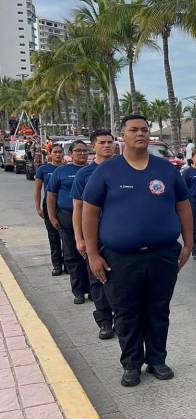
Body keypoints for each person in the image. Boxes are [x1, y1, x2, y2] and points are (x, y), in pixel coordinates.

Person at [82, 114, 193, 387]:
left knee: (158, 310)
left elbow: (183, 207)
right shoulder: (107, 171)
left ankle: (156, 360)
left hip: (163, 255)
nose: (140, 134)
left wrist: (189, 244)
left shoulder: (166, 169)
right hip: (120, 259)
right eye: (134, 130)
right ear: (123, 135)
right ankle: (131, 363)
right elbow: (89, 213)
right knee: (126, 313)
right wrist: (94, 254)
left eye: (144, 130)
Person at [71, 130, 116, 340]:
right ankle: (105, 322)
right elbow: (78, 209)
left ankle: (122, 318)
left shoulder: (123, 169)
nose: (107, 145)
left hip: (118, 236)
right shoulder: (84, 175)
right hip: (94, 237)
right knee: (97, 279)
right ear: (94, 146)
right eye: (102, 143)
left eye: (110, 142)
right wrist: (80, 239)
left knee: (119, 279)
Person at [47, 141, 90, 304]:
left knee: (90, 254)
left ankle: (93, 289)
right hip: (66, 217)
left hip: (90, 218)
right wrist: (52, 217)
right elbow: (51, 195)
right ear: (70, 154)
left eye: (84, 151)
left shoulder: (92, 171)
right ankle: (78, 291)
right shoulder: (61, 172)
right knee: (72, 255)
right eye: (78, 151)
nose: (82, 154)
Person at [34, 144, 65, 276]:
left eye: (60, 152)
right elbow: (37, 189)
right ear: (50, 154)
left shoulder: (66, 169)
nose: (58, 154)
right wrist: (38, 208)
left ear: (64, 154)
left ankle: (68, 264)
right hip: (49, 205)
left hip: (64, 205)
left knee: (68, 238)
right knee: (53, 237)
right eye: (55, 152)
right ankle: (57, 265)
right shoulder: (43, 169)